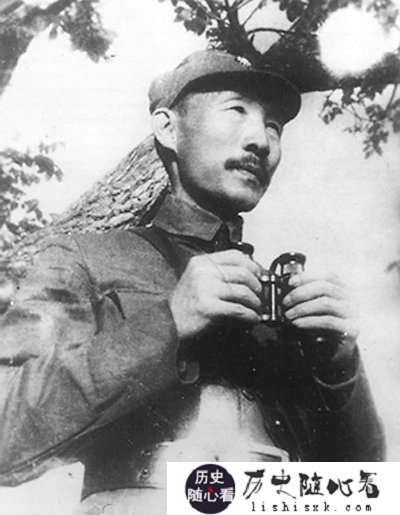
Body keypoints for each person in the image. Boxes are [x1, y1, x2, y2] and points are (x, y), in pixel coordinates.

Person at [0, 50, 384, 513]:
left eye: (273, 127)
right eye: (236, 109)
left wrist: (339, 368)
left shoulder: (282, 299)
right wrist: (168, 322)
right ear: (168, 129)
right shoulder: (83, 257)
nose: (260, 141)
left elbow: (362, 490)